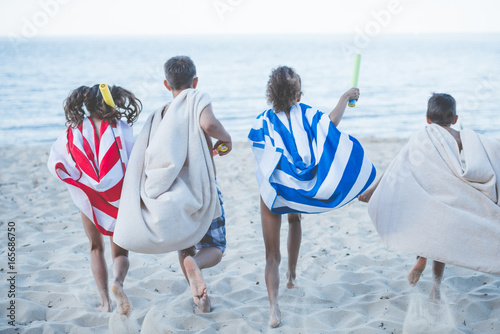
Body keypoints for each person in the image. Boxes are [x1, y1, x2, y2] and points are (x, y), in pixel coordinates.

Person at [248, 66, 376, 327]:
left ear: (270, 94)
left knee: (271, 255)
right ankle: (292, 277)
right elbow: (330, 126)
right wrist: (343, 99)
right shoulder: (307, 113)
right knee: (295, 221)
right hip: (297, 191)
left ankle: (274, 310)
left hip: (274, 189)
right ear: (298, 95)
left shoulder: (262, 120)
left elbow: (259, 149)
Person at [113, 56, 231, 314]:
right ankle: (197, 269)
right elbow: (209, 124)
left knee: (186, 245)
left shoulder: (161, 113)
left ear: (167, 84)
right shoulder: (197, 98)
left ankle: (201, 300)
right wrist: (227, 139)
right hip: (198, 188)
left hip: (172, 194)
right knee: (215, 248)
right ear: (195, 81)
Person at [360, 93, 500, 302]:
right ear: (455, 119)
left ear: (427, 118)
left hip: (425, 197)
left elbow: (398, 164)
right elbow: (488, 150)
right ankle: (435, 288)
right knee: (441, 242)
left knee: (427, 231)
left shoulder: (421, 135)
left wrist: (373, 190)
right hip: (448, 198)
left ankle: (421, 258)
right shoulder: (460, 136)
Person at [47, 84, 142, 315]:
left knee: (95, 247)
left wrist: (83, 181)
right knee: (120, 252)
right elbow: (133, 160)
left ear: (85, 104)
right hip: (118, 198)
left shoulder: (75, 130)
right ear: (111, 102)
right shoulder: (120, 128)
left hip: (89, 199)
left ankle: (105, 303)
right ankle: (117, 283)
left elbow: (61, 158)